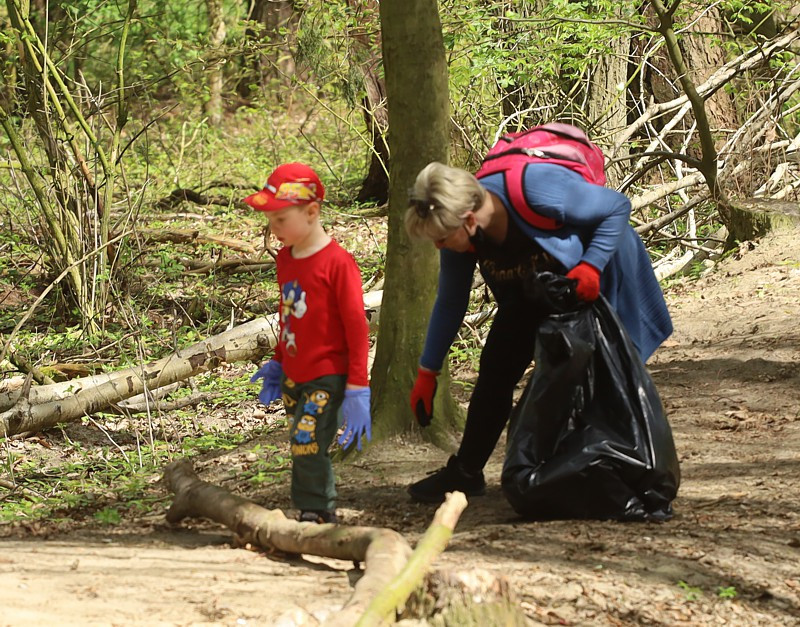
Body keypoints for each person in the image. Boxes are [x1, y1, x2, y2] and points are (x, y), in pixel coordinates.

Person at [404, 160, 673, 503]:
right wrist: (428, 370)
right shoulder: (460, 232)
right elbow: (451, 302)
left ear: (468, 219)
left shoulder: (535, 188)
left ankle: (615, 471)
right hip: (532, 289)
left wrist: (591, 266)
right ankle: (465, 472)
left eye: (441, 239)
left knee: (596, 380)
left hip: (595, 280)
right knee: (495, 369)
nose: (439, 247)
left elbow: (616, 208)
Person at [245, 162, 372, 524]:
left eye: (281, 219)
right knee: (299, 439)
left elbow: (356, 326)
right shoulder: (285, 258)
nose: (274, 228)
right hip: (294, 373)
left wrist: (358, 386)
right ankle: (309, 506)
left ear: (312, 212)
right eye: (270, 220)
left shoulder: (338, 263)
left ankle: (319, 510)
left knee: (307, 439)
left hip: (327, 373)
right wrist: (277, 360)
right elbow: (290, 315)